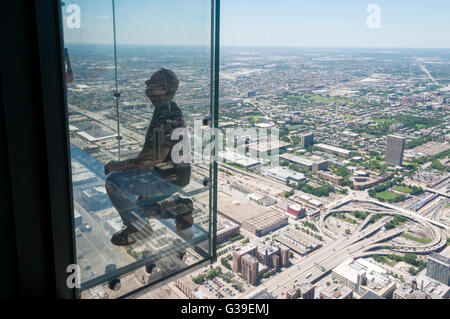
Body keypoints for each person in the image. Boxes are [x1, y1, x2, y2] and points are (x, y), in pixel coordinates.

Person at [104, 68, 192, 246]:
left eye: (153, 82)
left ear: (165, 89)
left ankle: (139, 229)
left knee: (115, 183)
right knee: (139, 204)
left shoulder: (166, 113)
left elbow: (154, 157)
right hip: (175, 175)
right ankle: (179, 208)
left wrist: (119, 166)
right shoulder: (167, 109)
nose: (147, 85)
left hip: (167, 177)